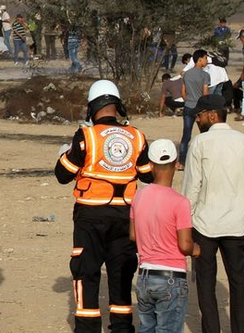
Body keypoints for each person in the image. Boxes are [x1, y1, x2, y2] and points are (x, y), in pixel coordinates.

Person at [55, 80, 153, 333]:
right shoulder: (137, 136)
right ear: (116, 106)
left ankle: (87, 328)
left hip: (91, 216)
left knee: (86, 272)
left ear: (92, 107)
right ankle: (121, 327)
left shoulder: (85, 136)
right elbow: (148, 175)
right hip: (125, 216)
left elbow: (63, 175)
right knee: (121, 272)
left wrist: (65, 154)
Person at [183, 94, 244, 333]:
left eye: (199, 115)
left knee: (205, 288)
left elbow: (191, 188)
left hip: (204, 225)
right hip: (237, 225)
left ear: (212, 115)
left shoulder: (199, 143)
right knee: (239, 286)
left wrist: (186, 221)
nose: (196, 119)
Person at [130, 139, 199, 333]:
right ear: (177, 164)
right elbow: (185, 245)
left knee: (146, 327)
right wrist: (195, 249)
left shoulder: (139, 196)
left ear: (150, 165)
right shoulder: (180, 202)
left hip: (145, 274)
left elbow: (133, 235)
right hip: (171, 276)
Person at [179, 50, 210, 166]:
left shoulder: (186, 74)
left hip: (188, 106)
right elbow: (205, 94)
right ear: (200, 59)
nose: (206, 60)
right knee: (205, 134)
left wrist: (189, 101)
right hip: (200, 108)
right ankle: (205, 159)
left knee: (186, 135)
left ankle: (182, 161)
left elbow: (182, 93)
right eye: (205, 58)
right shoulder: (205, 75)